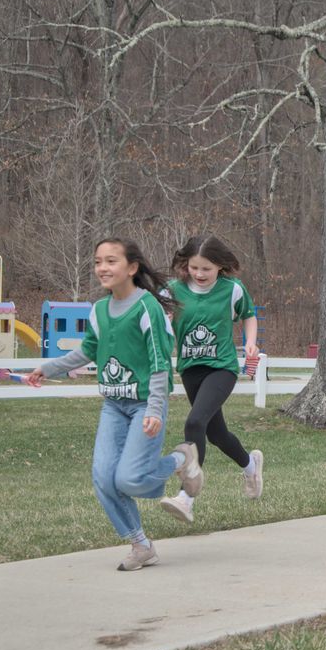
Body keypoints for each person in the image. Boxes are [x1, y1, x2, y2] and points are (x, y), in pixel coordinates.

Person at [26, 238, 203, 571]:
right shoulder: (99, 310)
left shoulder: (146, 307)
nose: (102, 268)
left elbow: (158, 361)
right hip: (113, 405)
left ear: (132, 268)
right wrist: (47, 368)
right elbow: (86, 351)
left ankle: (181, 459)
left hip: (144, 405)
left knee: (130, 479)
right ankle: (141, 545)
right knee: (104, 478)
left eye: (111, 261)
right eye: (97, 262)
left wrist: (153, 409)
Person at [158, 236, 264, 525]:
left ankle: (186, 498)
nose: (200, 274)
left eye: (207, 268)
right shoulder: (173, 291)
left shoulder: (232, 290)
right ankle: (250, 465)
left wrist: (251, 343)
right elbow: (159, 319)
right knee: (216, 434)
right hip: (191, 369)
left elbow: (249, 316)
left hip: (222, 369)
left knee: (194, 423)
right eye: (194, 268)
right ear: (186, 265)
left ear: (220, 266)